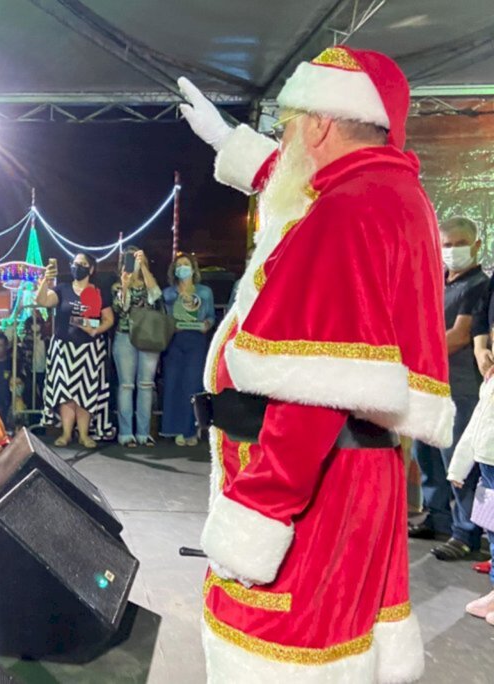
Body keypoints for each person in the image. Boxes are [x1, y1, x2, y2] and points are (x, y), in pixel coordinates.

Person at [178, 46, 450, 681]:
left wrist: (255, 519)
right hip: (355, 472)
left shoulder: (347, 212)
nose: (287, 136)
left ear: (322, 125)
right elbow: (295, 181)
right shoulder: (385, 190)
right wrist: (230, 142)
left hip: (312, 483)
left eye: (291, 122)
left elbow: (314, 390)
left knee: (286, 655)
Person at [409, 216, 487, 560]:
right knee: (426, 456)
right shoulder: (438, 282)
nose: (452, 251)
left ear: (476, 246)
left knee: (463, 466)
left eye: (459, 244)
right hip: (429, 385)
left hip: (462, 387)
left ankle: (468, 533)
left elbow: (459, 335)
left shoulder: (479, 285)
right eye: (446, 245)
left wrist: (413, 350)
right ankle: (437, 517)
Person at [35, 252, 115, 447]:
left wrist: (96, 330)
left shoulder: (97, 291)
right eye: (75, 263)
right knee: (65, 392)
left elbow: (109, 319)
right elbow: (42, 301)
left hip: (89, 349)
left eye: (82, 263)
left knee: (86, 392)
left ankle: (84, 434)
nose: (77, 266)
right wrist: (46, 279)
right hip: (63, 349)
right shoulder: (62, 289)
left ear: (91, 269)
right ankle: (66, 433)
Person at [447, 373, 494, 623]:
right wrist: (459, 466)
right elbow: (475, 425)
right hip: (488, 470)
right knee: (493, 531)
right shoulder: (490, 383)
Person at [160, 253, 215, 446]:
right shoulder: (168, 293)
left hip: (196, 341)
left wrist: (206, 324)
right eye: (178, 265)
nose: (182, 268)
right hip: (174, 341)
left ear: (193, 269)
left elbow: (210, 316)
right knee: (173, 383)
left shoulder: (205, 292)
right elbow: (163, 317)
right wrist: (171, 325)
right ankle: (174, 429)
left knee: (193, 384)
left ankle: (191, 429)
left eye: (185, 265)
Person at [111, 246, 163, 447]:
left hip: (149, 337)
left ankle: (143, 433)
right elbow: (121, 308)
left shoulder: (149, 282)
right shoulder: (118, 286)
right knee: (126, 385)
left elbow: (156, 296)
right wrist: (125, 286)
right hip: (125, 336)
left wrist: (143, 268)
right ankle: (126, 433)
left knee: (146, 385)